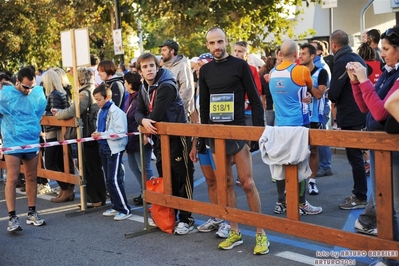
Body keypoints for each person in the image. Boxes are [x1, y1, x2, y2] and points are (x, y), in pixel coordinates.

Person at [199, 27, 269, 255]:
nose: (217, 46)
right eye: (212, 43)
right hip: (217, 134)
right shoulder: (206, 70)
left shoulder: (240, 66)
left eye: (220, 41)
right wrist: (202, 137)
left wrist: (258, 131)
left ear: (226, 42)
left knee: (247, 182)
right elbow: (205, 106)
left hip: (238, 132)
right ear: (207, 45)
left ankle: (261, 233)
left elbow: (256, 99)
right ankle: (234, 231)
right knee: (226, 183)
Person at [348, 27, 399, 266]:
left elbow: (379, 113)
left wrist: (365, 80)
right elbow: (365, 108)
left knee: (393, 207)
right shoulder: (389, 72)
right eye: (382, 49)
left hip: (393, 149)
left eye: (387, 49)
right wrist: (356, 83)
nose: (382, 54)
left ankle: (391, 260)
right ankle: (388, 258)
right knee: (383, 204)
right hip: (380, 148)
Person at [134, 52, 195, 235]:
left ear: (157, 67)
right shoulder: (144, 87)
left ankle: (186, 218)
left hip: (177, 135)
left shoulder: (166, 85)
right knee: (165, 176)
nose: (149, 69)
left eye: (152, 66)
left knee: (182, 176)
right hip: (161, 137)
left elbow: (156, 116)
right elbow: (137, 112)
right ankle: (170, 214)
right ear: (140, 72)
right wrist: (143, 121)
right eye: (145, 67)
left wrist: (145, 121)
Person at [268, 40, 323, 215]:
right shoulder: (302, 70)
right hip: (299, 123)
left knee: (280, 163)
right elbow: (308, 90)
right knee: (301, 163)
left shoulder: (272, 72)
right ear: (296, 53)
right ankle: (301, 203)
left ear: (281, 54)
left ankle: (280, 202)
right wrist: (306, 97)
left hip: (280, 124)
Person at [0, 67, 47, 232]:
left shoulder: (36, 94)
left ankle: (32, 213)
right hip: (12, 141)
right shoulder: (5, 95)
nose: (28, 90)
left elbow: (39, 113)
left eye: (31, 87)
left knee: (31, 177)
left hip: (31, 140)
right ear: (17, 82)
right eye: (25, 87)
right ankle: (12, 218)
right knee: (12, 178)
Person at [53, 67, 107, 207]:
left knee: (88, 167)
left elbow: (74, 110)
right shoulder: (91, 89)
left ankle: (95, 199)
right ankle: (96, 198)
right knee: (91, 167)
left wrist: (58, 114)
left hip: (87, 134)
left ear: (80, 78)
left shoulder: (84, 93)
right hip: (91, 133)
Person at [189, 53, 230, 238]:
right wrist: (195, 144)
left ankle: (227, 220)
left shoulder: (217, 86)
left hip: (217, 141)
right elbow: (196, 120)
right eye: (196, 66)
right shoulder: (197, 89)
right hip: (203, 141)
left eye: (200, 65)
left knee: (223, 181)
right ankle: (216, 216)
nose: (197, 69)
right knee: (210, 180)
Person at [328, 29, 368, 210]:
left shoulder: (342, 61)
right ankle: (359, 193)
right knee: (358, 157)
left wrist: (331, 94)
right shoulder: (356, 58)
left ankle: (360, 196)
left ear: (334, 45)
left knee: (355, 157)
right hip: (360, 112)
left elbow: (334, 93)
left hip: (351, 116)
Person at [92, 84, 131, 220]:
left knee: (113, 179)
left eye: (98, 99)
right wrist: (99, 134)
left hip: (114, 149)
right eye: (95, 100)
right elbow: (100, 127)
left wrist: (101, 134)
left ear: (107, 97)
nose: (97, 102)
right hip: (104, 147)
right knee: (109, 180)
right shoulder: (101, 111)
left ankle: (125, 209)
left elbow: (120, 132)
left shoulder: (117, 112)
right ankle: (116, 206)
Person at [299, 43, 329, 195]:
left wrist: (308, 85)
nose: (300, 56)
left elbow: (319, 94)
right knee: (299, 151)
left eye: (303, 53)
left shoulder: (321, 72)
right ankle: (298, 182)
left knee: (314, 151)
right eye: (300, 53)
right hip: (299, 117)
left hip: (316, 117)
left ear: (312, 56)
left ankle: (312, 181)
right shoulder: (296, 72)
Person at [42, 69, 75, 203]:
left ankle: (66, 189)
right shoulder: (60, 92)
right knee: (60, 163)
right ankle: (65, 189)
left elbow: (55, 114)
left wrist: (43, 114)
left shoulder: (54, 94)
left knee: (50, 162)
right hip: (59, 133)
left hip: (54, 133)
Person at [123, 71, 154, 206]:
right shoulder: (128, 97)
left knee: (144, 167)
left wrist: (147, 134)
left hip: (140, 136)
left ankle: (151, 193)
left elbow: (146, 114)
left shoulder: (140, 97)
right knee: (134, 166)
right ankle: (144, 191)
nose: (124, 85)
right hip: (131, 137)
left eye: (125, 82)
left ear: (130, 84)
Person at [310, 41, 333, 178]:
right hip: (317, 107)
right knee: (318, 138)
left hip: (321, 106)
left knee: (321, 137)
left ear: (318, 52)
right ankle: (322, 165)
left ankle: (325, 166)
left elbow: (320, 92)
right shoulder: (317, 65)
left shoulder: (320, 67)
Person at [159, 39, 195, 118]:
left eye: (164, 50)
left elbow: (187, 90)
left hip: (179, 115)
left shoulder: (183, 65)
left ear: (172, 51)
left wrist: (178, 110)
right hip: (166, 114)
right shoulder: (164, 67)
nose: (161, 53)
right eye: (161, 50)